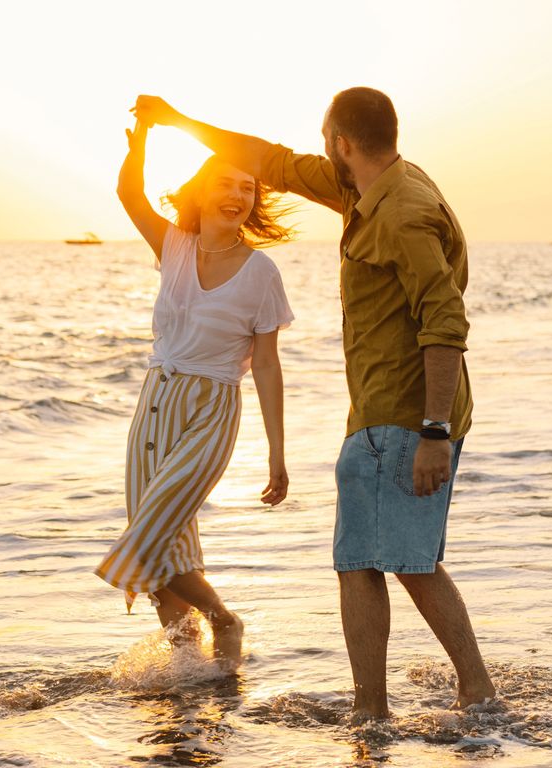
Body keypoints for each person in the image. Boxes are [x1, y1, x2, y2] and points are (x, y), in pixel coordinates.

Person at [131, 89, 497, 718]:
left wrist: (434, 431)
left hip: (406, 415)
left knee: (382, 562)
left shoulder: (404, 211)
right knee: (383, 561)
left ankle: (415, 702)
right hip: (382, 414)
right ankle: (419, 700)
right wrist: (178, 122)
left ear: (340, 140)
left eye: (326, 141)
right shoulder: (365, 187)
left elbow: (444, 318)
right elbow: (269, 161)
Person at [94, 113, 294, 673]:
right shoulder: (173, 246)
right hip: (154, 404)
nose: (237, 195)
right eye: (226, 183)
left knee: (150, 531)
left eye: (247, 187)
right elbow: (128, 194)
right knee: (167, 544)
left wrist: (278, 452)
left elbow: (269, 367)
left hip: (211, 409)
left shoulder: (261, 273)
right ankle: (189, 668)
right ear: (202, 191)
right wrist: (141, 143)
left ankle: (223, 619)